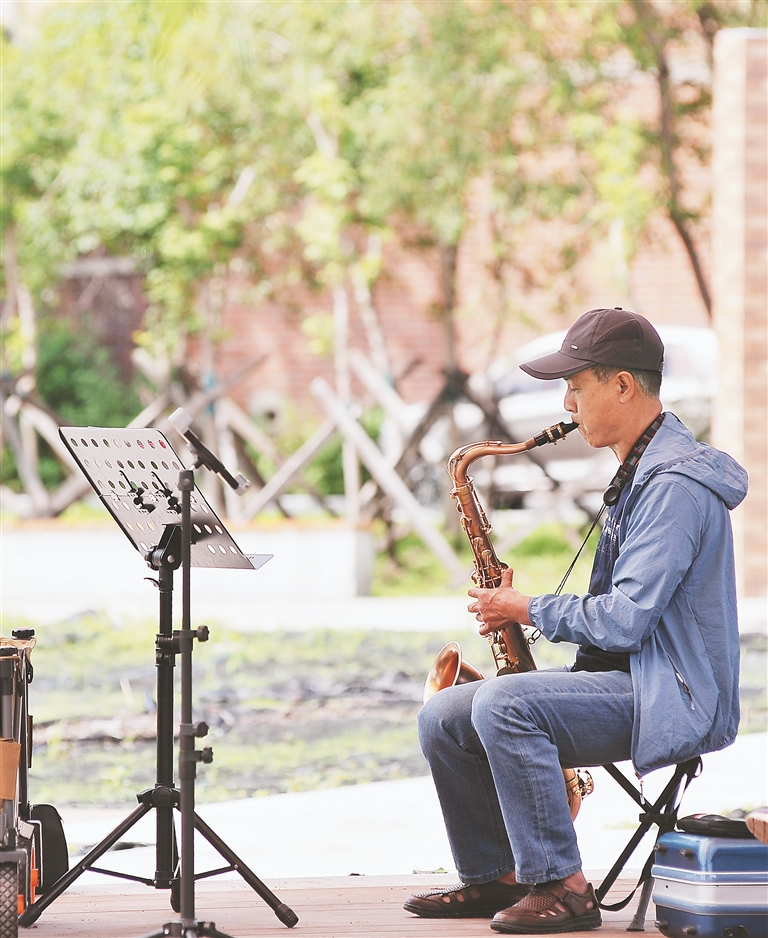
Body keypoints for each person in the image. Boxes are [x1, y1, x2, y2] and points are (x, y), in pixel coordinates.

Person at [404, 308, 748, 934]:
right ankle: (496, 875)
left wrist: (527, 609)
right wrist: (522, 619)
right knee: (444, 715)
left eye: (575, 385)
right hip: (637, 680)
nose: (564, 402)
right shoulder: (640, 472)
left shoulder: (673, 485)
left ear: (622, 385)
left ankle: (562, 888)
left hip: (676, 696)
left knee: (505, 705)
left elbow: (624, 622)